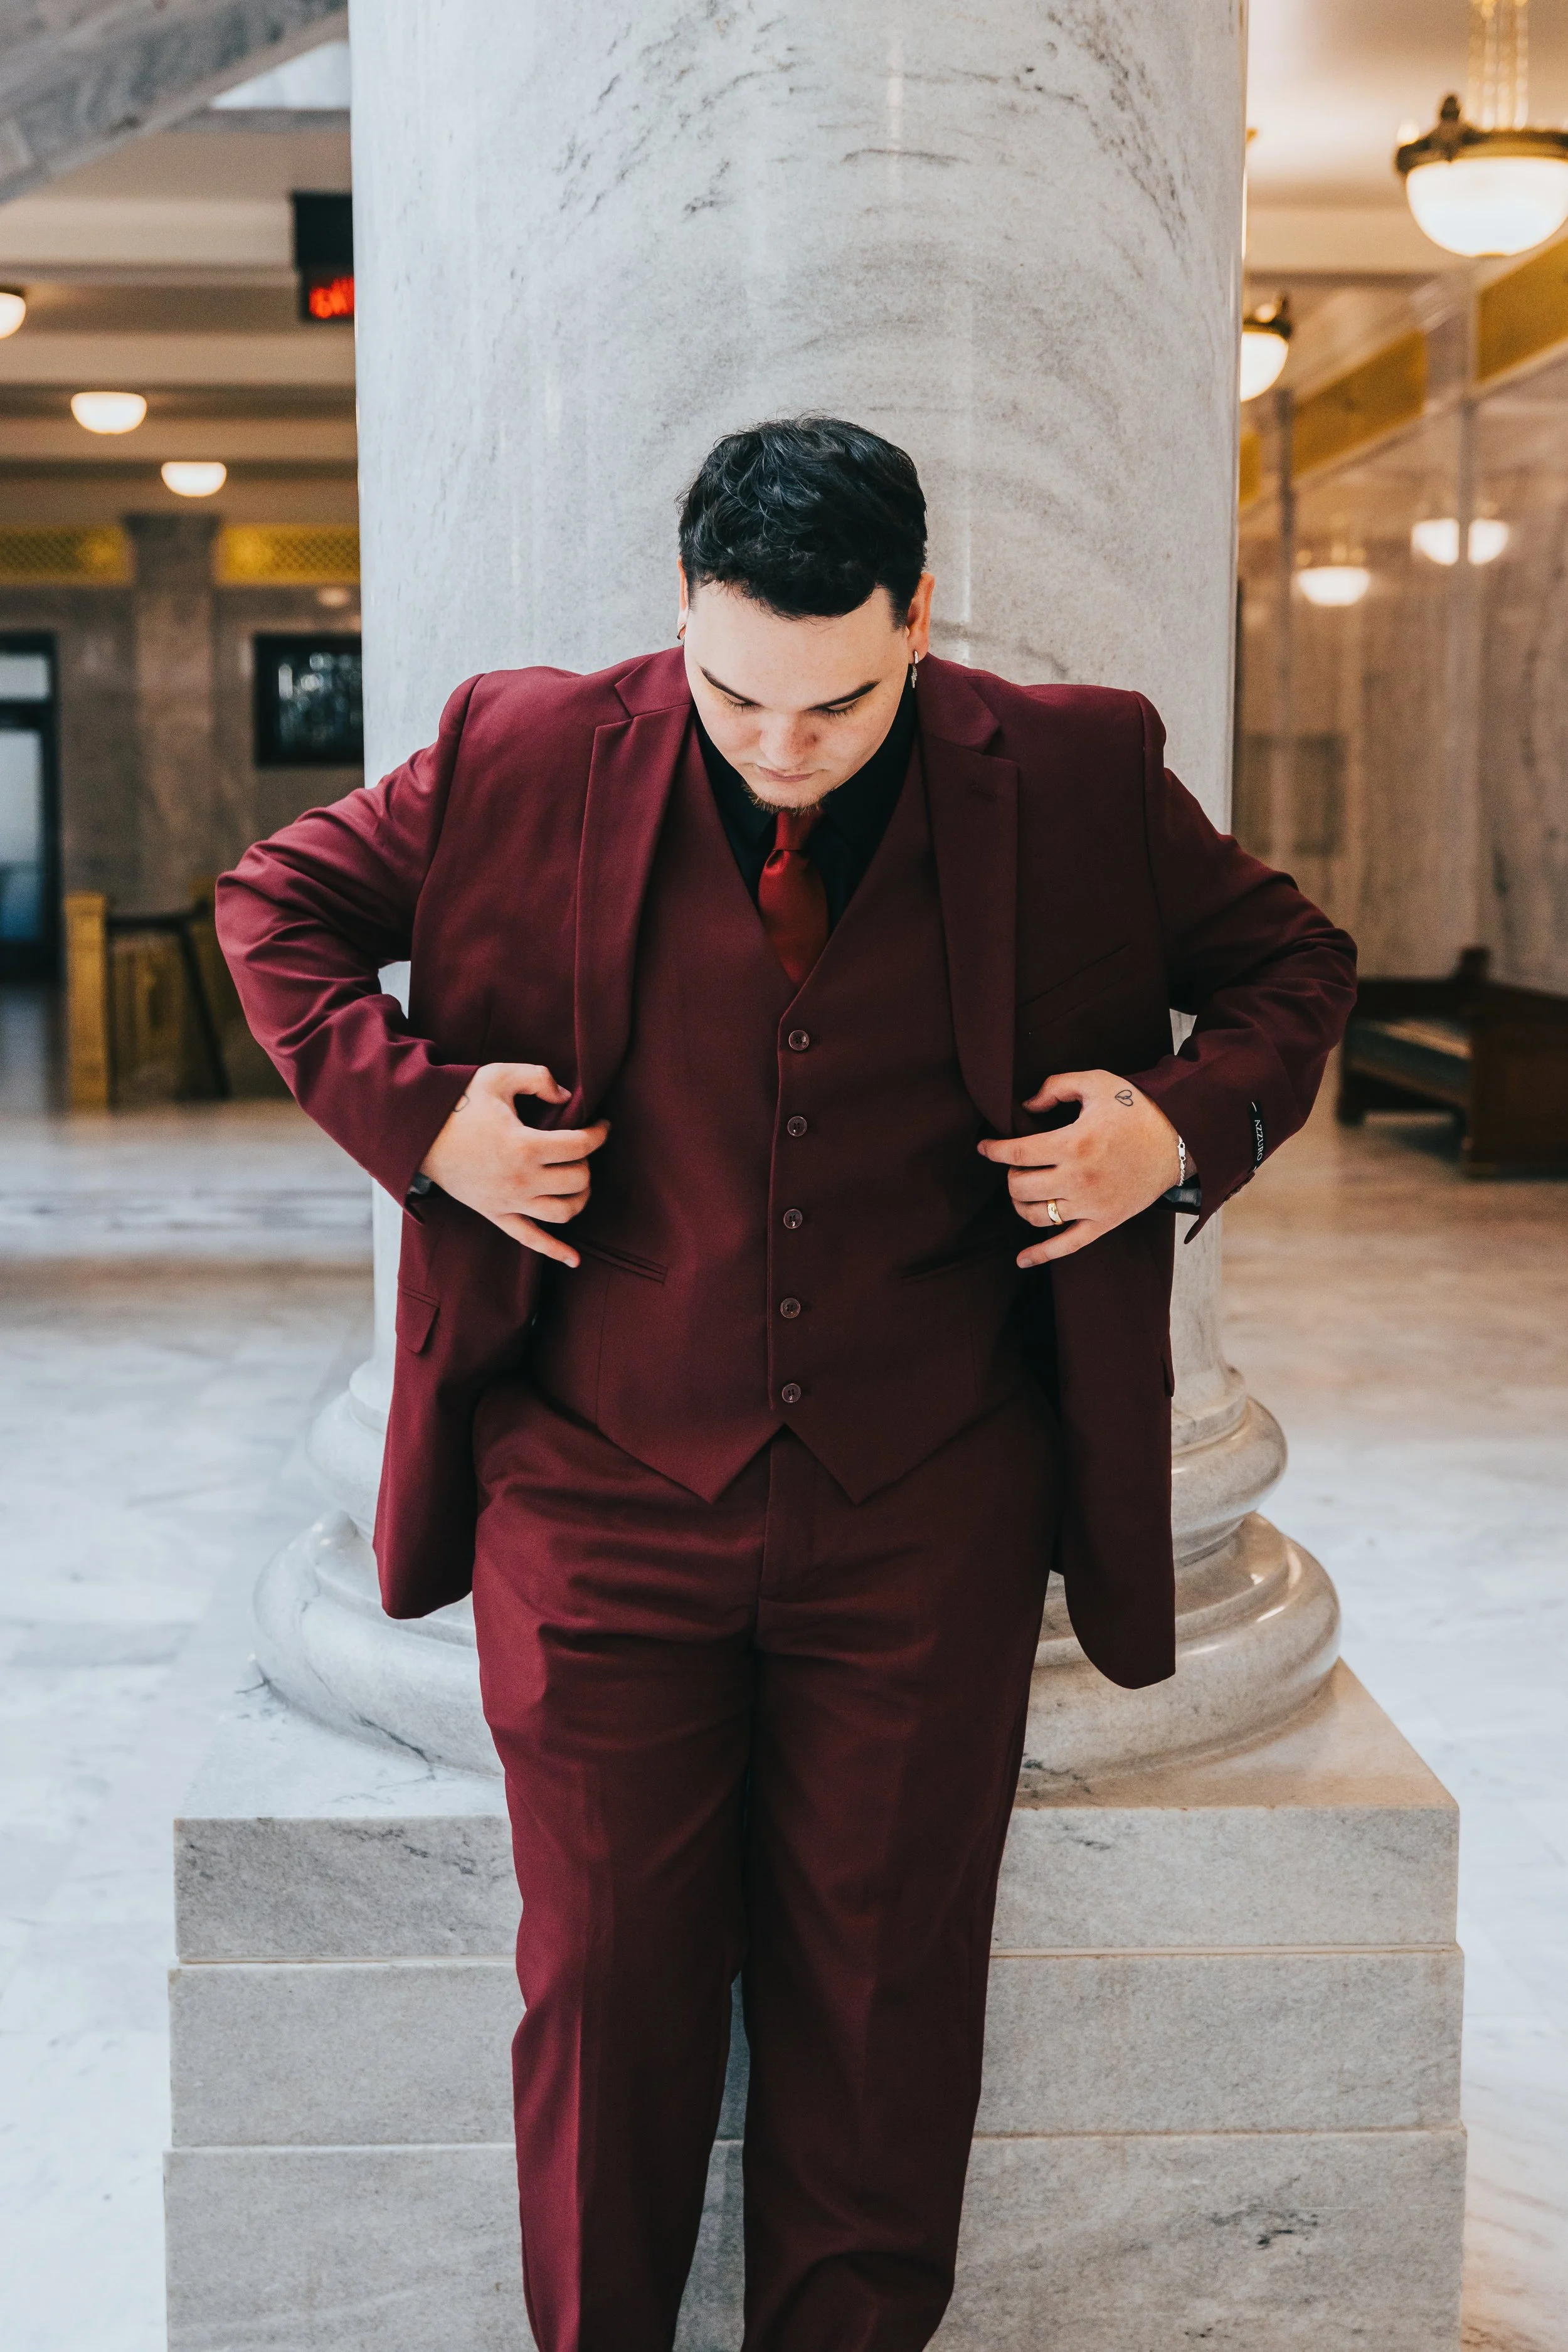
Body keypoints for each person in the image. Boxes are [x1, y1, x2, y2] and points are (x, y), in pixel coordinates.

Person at [218, 416, 1356, 2352]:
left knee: (883, 1999)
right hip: (591, 1494)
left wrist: (1169, 1132)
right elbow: (275, 909)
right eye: (735, 688)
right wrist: (427, 1128)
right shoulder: (517, 752)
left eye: (833, 699)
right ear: (679, 607)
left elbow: (1291, 965)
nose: (779, 743)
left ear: (918, 616)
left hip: (926, 1506)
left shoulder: (1072, 770)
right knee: (603, 1992)